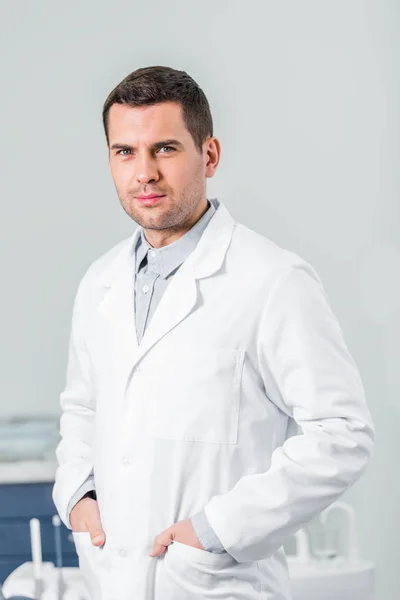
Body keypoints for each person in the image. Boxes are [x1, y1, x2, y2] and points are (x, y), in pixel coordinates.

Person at [52, 65, 375, 600]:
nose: (144, 173)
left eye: (165, 149)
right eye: (124, 152)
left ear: (209, 155)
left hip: (212, 582)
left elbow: (343, 433)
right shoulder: (99, 284)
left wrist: (216, 531)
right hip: (110, 579)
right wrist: (79, 498)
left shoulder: (272, 280)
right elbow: (83, 409)